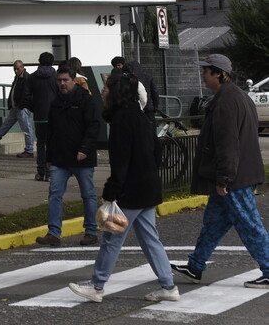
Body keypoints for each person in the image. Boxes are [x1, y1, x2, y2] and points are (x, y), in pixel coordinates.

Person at [67, 71, 178, 303]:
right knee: (150, 239)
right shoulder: (140, 115)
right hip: (148, 188)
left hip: (130, 191)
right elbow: (157, 151)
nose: (103, 91)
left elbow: (121, 161)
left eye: (107, 87)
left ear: (116, 92)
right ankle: (168, 286)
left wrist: (111, 192)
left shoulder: (121, 120)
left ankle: (97, 286)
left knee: (111, 238)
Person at [171, 54, 269, 290]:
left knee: (248, 223)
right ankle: (195, 266)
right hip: (237, 174)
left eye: (205, 71)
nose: (203, 75)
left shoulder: (226, 101)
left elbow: (228, 144)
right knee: (214, 223)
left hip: (234, 178)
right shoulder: (237, 96)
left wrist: (224, 177)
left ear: (217, 73)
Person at [36, 65, 100, 248]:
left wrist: (85, 149)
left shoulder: (86, 101)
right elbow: (51, 131)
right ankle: (53, 233)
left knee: (88, 195)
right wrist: (49, 157)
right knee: (55, 193)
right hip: (60, 158)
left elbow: (93, 127)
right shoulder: (55, 102)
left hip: (82, 158)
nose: (62, 84)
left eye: (65, 80)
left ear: (74, 80)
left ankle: (91, 231)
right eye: (59, 80)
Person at [0, 60, 35, 158]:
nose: (15, 71)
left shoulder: (26, 77)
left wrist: (22, 104)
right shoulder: (18, 77)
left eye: (17, 68)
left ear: (22, 67)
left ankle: (29, 150)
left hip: (22, 107)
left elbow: (27, 93)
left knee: (27, 129)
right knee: (6, 124)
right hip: (16, 107)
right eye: (14, 69)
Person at [23, 52, 59, 181]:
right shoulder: (56, 77)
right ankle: (50, 172)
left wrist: (34, 108)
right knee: (52, 143)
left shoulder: (32, 78)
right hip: (54, 114)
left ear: (39, 61)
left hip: (39, 115)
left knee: (41, 143)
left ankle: (40, 172)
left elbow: (26, 97)